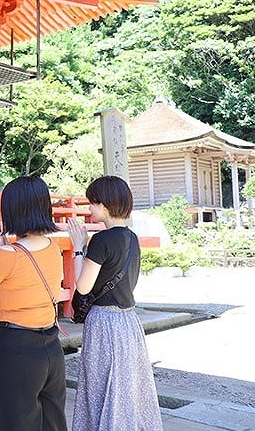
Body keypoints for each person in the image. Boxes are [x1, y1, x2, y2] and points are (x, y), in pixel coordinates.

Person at [0, 175, 67, 431]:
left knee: (10, 422)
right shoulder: (53, 249)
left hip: (15, 349)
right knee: (52, 422)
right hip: (51, 348)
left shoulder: (3, 255)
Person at [67, 175, 161, 431]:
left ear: (106, 205)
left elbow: (83, 286)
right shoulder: (132, 238)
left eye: (93, 203)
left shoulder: (101, 240)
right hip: (129, 322)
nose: (90, 209)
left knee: (101, 388)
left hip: (104, 323)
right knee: (127, 389)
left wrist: (78, 248)